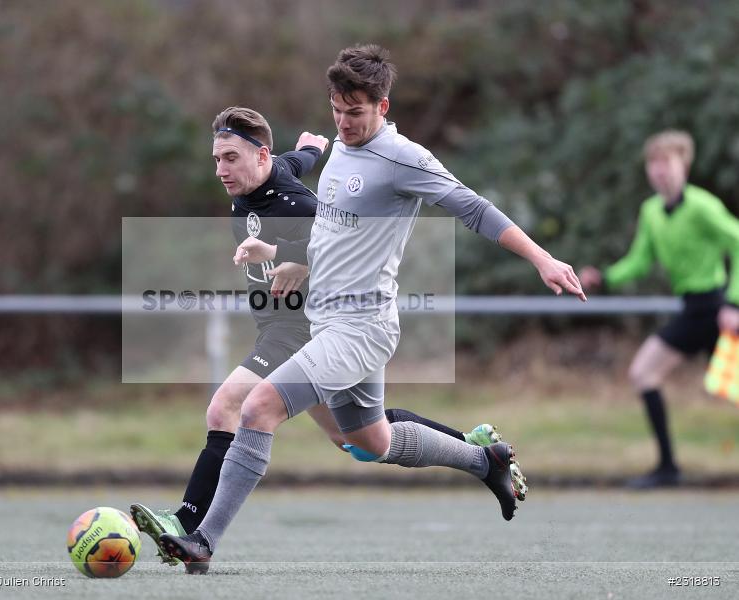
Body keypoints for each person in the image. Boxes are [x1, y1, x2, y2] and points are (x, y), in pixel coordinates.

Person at [159, 45, 585, 574]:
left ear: (383, 106)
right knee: (370, 441)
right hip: (330, 322)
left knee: (256, 407)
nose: (343, 122)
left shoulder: (403, 157)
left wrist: (542, 258)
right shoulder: (341, 146)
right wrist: (283, 255)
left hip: (360, 327)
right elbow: (336, 232)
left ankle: (203, 539)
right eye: (336, 109)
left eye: (355, 112)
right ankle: (485, 461)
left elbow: (472, 207)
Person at [130, 106, 519, 566]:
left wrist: (282, 251)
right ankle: (474, 451)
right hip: (284, 327)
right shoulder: (266, 173)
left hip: (300, 329)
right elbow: (296, 161)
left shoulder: (297, 204)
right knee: (358, 439)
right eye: (216, 159)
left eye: (230, 158)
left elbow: (344, 240)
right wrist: (312, 149)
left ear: (259, 156)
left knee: (227, 406)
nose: (221, 170)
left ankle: (189, 525)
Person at [578, 130, 739, 489]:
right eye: (653, 163)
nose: (659, 170)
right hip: (692, 313)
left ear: (684, 165)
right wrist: (604, 278)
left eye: (666, 162)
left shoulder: (702, 206)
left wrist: (733, 303)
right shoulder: (650, 211)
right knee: (643, 374)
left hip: (718, 310)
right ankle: (668, 468)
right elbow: (639, 260)